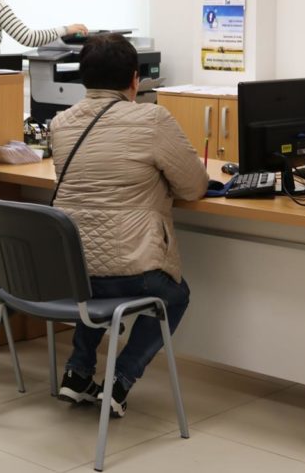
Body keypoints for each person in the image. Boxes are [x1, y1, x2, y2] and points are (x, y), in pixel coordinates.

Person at [48, 33, 208, 417]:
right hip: (131, 272)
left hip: (71, 271)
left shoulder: (60, 123)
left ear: (83, 78)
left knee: (94, 278)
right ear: (136, 79)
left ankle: (78, 372)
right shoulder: (152, 119)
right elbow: (194, 185)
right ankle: (120, 380)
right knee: (174, 295)